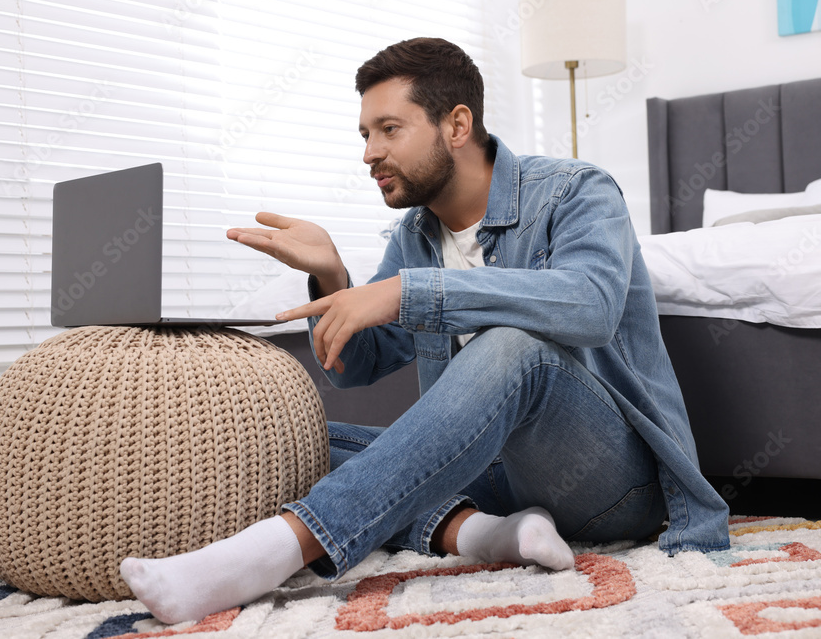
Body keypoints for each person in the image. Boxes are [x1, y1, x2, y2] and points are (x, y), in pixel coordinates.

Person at [120, 37, 730, 624]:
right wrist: (334, 275)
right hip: (491, 479)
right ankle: (486, 533)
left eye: (390, 129)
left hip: (611, 485)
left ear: (457, 126)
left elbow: (592, 305)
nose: (369, 153)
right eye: (364, 134)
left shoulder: (576, 192)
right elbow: (359, 366)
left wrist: (409, 291)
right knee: (293, 433)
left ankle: (271, 552)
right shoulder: (416, 235)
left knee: (513, 344)